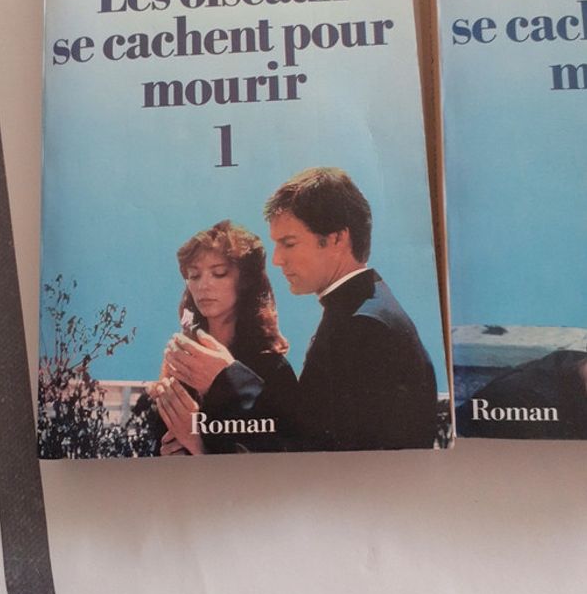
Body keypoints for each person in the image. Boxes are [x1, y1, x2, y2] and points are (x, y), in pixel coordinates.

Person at [264, 167, 438, 451]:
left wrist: (230, 378)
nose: (277, 259)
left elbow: (321, 446)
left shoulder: (364, 326)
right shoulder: (366, 309)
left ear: (337, 239)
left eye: (289, 243)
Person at [151, 220, 299, 455]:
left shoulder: (274, 369)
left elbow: (283, 459)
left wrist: (197, 444)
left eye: (219, 273)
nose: (203, 285)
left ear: (245, 282)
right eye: (194, 275)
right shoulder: (179, 366)